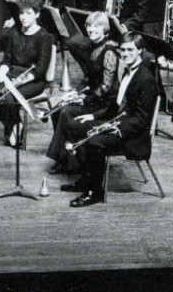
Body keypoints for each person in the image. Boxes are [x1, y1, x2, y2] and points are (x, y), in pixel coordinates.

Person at [62, 33, 159, 207]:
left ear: (140, 51)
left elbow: (141, 120)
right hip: (118, 122)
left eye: (130, 50)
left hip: (133, 135)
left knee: (94, 142)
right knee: (74, 125)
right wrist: (93, 116)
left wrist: (115, 128)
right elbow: (115, 107)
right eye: (122, 50)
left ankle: (95, 191)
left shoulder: (147, 80)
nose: (126, 53)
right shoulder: (127, 73)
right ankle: (88, 177)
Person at [46, 11, 119, 173]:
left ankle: (63, 159)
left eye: (96, 26)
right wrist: (77, 92)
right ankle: (66, 156)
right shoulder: (93, 47)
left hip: (105, 104)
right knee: (57, 109)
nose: (91, 29)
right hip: (93, 98)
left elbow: (106, 86)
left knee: (66, 112)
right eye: (89, 26)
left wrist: (85, 100)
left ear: (105, 29)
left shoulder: (109, 51)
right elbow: (90, 78)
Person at [0, 0, 52, 147]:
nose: (23, 17)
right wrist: (2, 71)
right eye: (21, 12)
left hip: (34, 80)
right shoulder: (14, 32)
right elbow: (7, 59)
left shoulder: (44, 37)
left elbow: (41, 69)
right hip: (12, 74)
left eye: (28, 13)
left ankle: (13, 130)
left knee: (8, 99)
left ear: (37, 14)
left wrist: (21, 81)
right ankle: (16, 124)